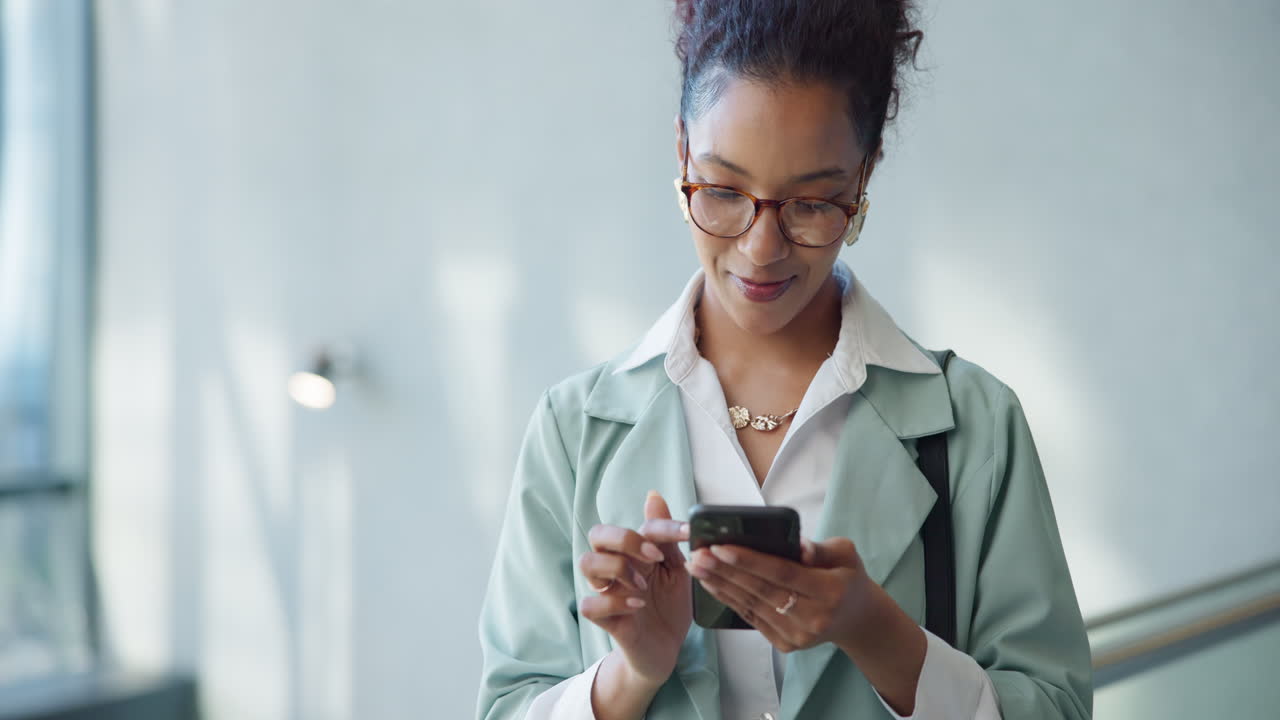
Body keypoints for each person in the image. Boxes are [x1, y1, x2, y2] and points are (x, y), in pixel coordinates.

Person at [476, 1, 1093, 718]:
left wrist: (880, 635)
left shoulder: (977, 426)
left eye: (811, 202)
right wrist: (632, 675)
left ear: (864, 176)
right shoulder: (572, 431)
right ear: (682, 154)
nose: (761, 249)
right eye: (724, 191)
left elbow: (1058, 709)